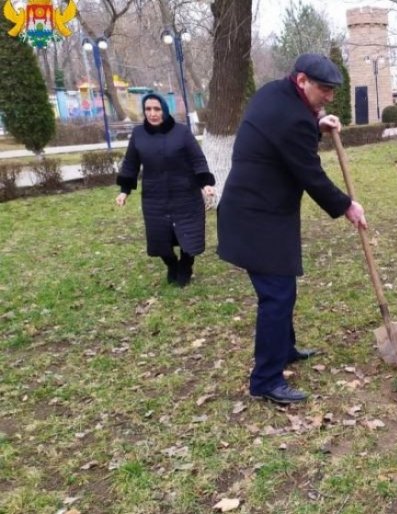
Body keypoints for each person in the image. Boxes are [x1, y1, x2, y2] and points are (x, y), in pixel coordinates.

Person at [216, 53, 367, 406]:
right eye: (325, 89)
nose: (330, 96)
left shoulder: (274, 93)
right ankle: (265, 380)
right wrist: (346, 205)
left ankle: (284, 349)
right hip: (257, 218)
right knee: (277, 294)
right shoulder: (294, 118)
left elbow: (282, 133)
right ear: (301, 81)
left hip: (258, 210)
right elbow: (310, 174)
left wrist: (316, 124)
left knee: (282, 287)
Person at [115, 93, 215, 287]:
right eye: (148, 109)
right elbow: (130, 164)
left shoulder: (182, 132)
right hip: (154, 196)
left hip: (185, 193)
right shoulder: (138, 134)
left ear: (164, 110)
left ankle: (186, 265)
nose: (152, 113)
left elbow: (197, 159)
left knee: (188, 235)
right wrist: (124, 191)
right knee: (159, 237)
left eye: (157, 109)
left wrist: (205, 183)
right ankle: (172, 264)